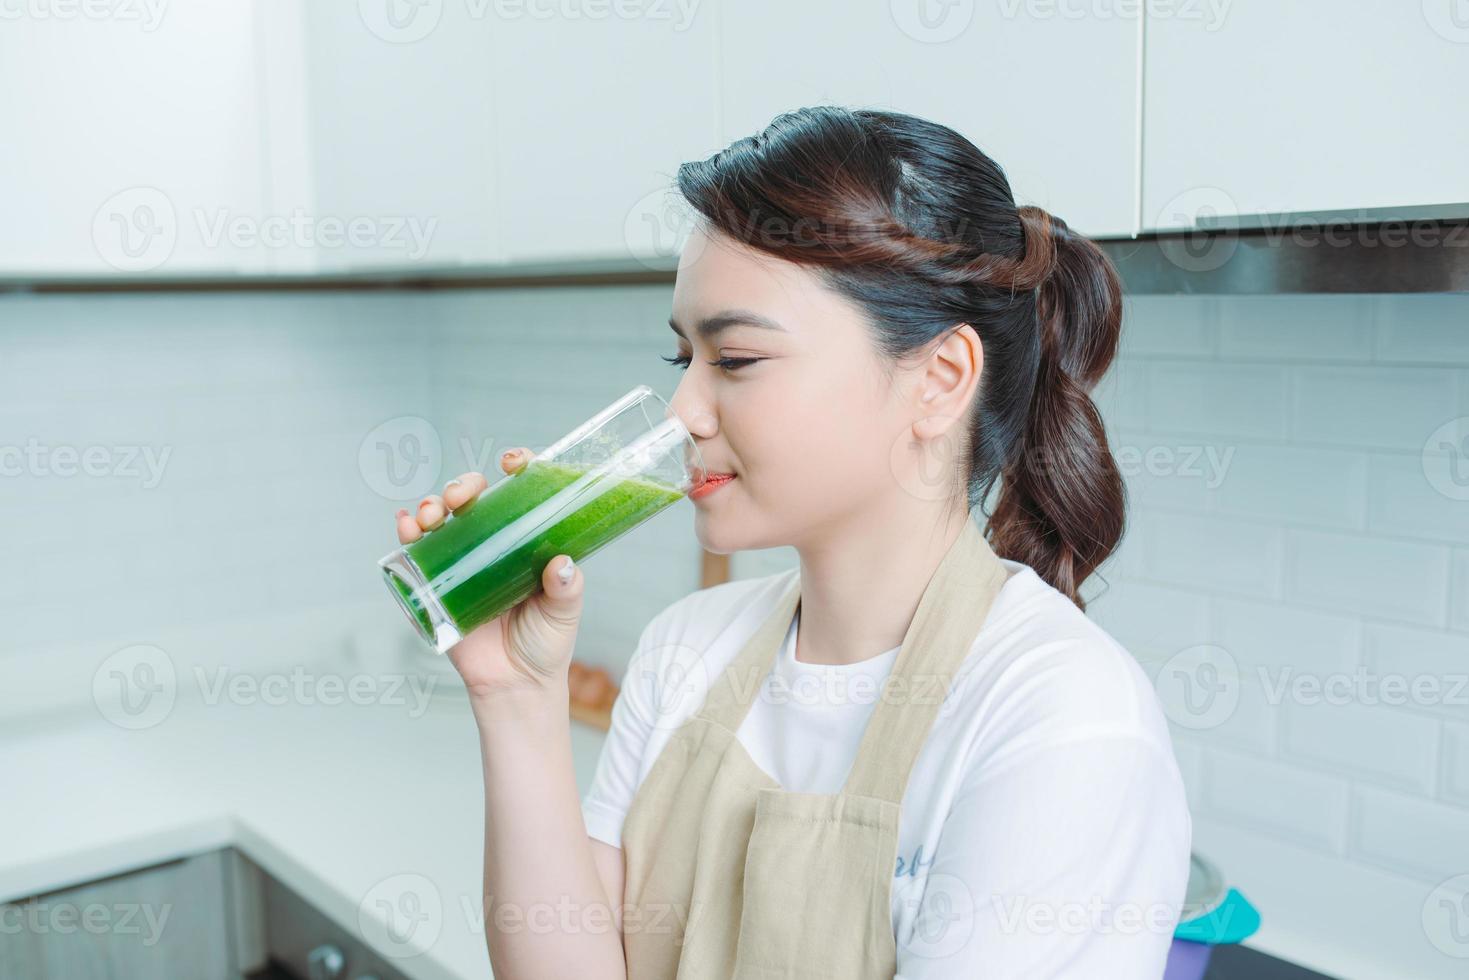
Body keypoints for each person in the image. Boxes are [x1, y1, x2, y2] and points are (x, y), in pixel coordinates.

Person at [392, 105, 1191, 980]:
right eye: (682, 361)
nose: (682, 412)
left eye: (734, 359)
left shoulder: (1059, 718)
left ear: (939, 379)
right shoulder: (686, 649)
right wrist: (516, 698)